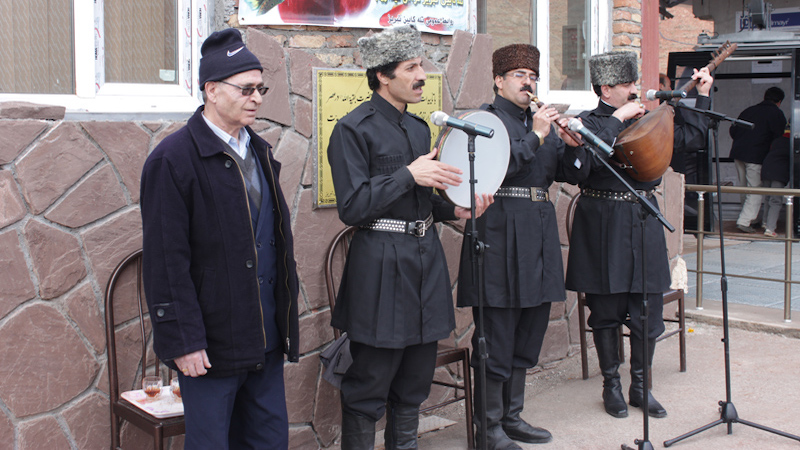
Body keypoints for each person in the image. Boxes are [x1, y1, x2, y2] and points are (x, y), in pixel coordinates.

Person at [326, 25, 492, 450]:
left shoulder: (420, 129)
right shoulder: (352, 129)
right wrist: (407, 174)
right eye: (411, 67)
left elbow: (424, 200)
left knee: (414, 381)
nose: (422, 74)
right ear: (383, 75)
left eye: (422, 64)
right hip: (379, 263)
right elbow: (353, 207)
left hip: (425, 260)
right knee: (368, 384)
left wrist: (455, 209)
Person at [140, 28, 299, 449]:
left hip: (264, 338)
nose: (258, 98)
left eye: (260, 88)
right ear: (211, 90)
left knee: (268, 442)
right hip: (209, 348)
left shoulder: (261, 151)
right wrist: (183, 341)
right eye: (246, 89)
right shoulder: (172, 160)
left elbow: (273, 244)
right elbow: (165, 261)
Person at [565, 51, 713, 420]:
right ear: (606, 88)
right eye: (628, 85)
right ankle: (611, 386)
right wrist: (617, 120)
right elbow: (581, 168)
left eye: (634, 83)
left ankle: (641, 386)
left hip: (643, 218)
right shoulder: (585, 123)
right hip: (601, 223)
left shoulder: (647, 117)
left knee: (647, 311)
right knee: (606, 311)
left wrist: (703, 96)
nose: (636, 90)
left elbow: (690, 139)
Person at [456, 43, 584, 449]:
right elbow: (499, 168)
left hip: (538, 230)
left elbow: (568, 174)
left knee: (530, 326)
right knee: (497, 331)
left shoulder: (542, 125)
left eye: (533, 76)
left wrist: (573, 146)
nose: (529, 83)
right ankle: (487, 427)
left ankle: (511, 417)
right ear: (498, 80)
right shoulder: (485, 121)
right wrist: (539, 134)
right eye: (519, 76)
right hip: (499, 230)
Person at [730, 86, 786, 233]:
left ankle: (752, 219)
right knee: (755, 190)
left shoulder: (748, 110)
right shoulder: (776, 114)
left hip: (738, 153)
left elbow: (733, 130)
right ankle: (745, 221)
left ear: (765, 97)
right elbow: (778, 136)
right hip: (756, 156)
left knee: (745, 189)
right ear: (779, 101)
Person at [760, 125, 791, 237]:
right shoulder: (792, 142)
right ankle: (770, 228)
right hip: (779, 173)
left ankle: (765, 223)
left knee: (768, 198)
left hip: (766, 170)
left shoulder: (777, 140)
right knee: (776, 201)